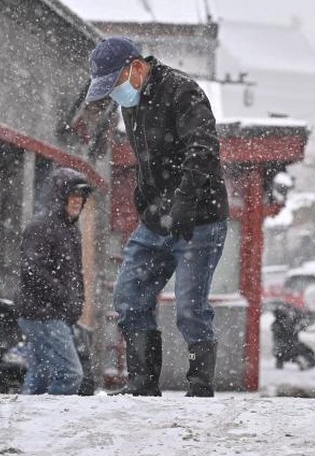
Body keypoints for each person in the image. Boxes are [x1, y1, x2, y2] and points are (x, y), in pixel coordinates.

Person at [85, 36, 229, 397]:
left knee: (190, 307)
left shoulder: (183, 91)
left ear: (136, 67)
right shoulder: (130, 105)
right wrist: (144, 193)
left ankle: (199, 386)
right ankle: (143, 382)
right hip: (156, 219)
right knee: (129, 294)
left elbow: (203, 149)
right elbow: (148, 157)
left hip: (201, 218)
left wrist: (184, 201)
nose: (115, 95)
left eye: (115, 84)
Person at [14, 167, 92, 395]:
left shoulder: (69, 229)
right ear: (60, 196)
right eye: (73, 195)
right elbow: (31, 270)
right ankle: (50, 420)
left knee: (42, 373)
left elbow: (73, 274)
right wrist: (64, 298)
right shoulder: (42, 226)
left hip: (51, 314)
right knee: (70, 373)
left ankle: (28, 421)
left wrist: (73, 303)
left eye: (81, 197)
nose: (78, 201)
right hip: (43, 314)